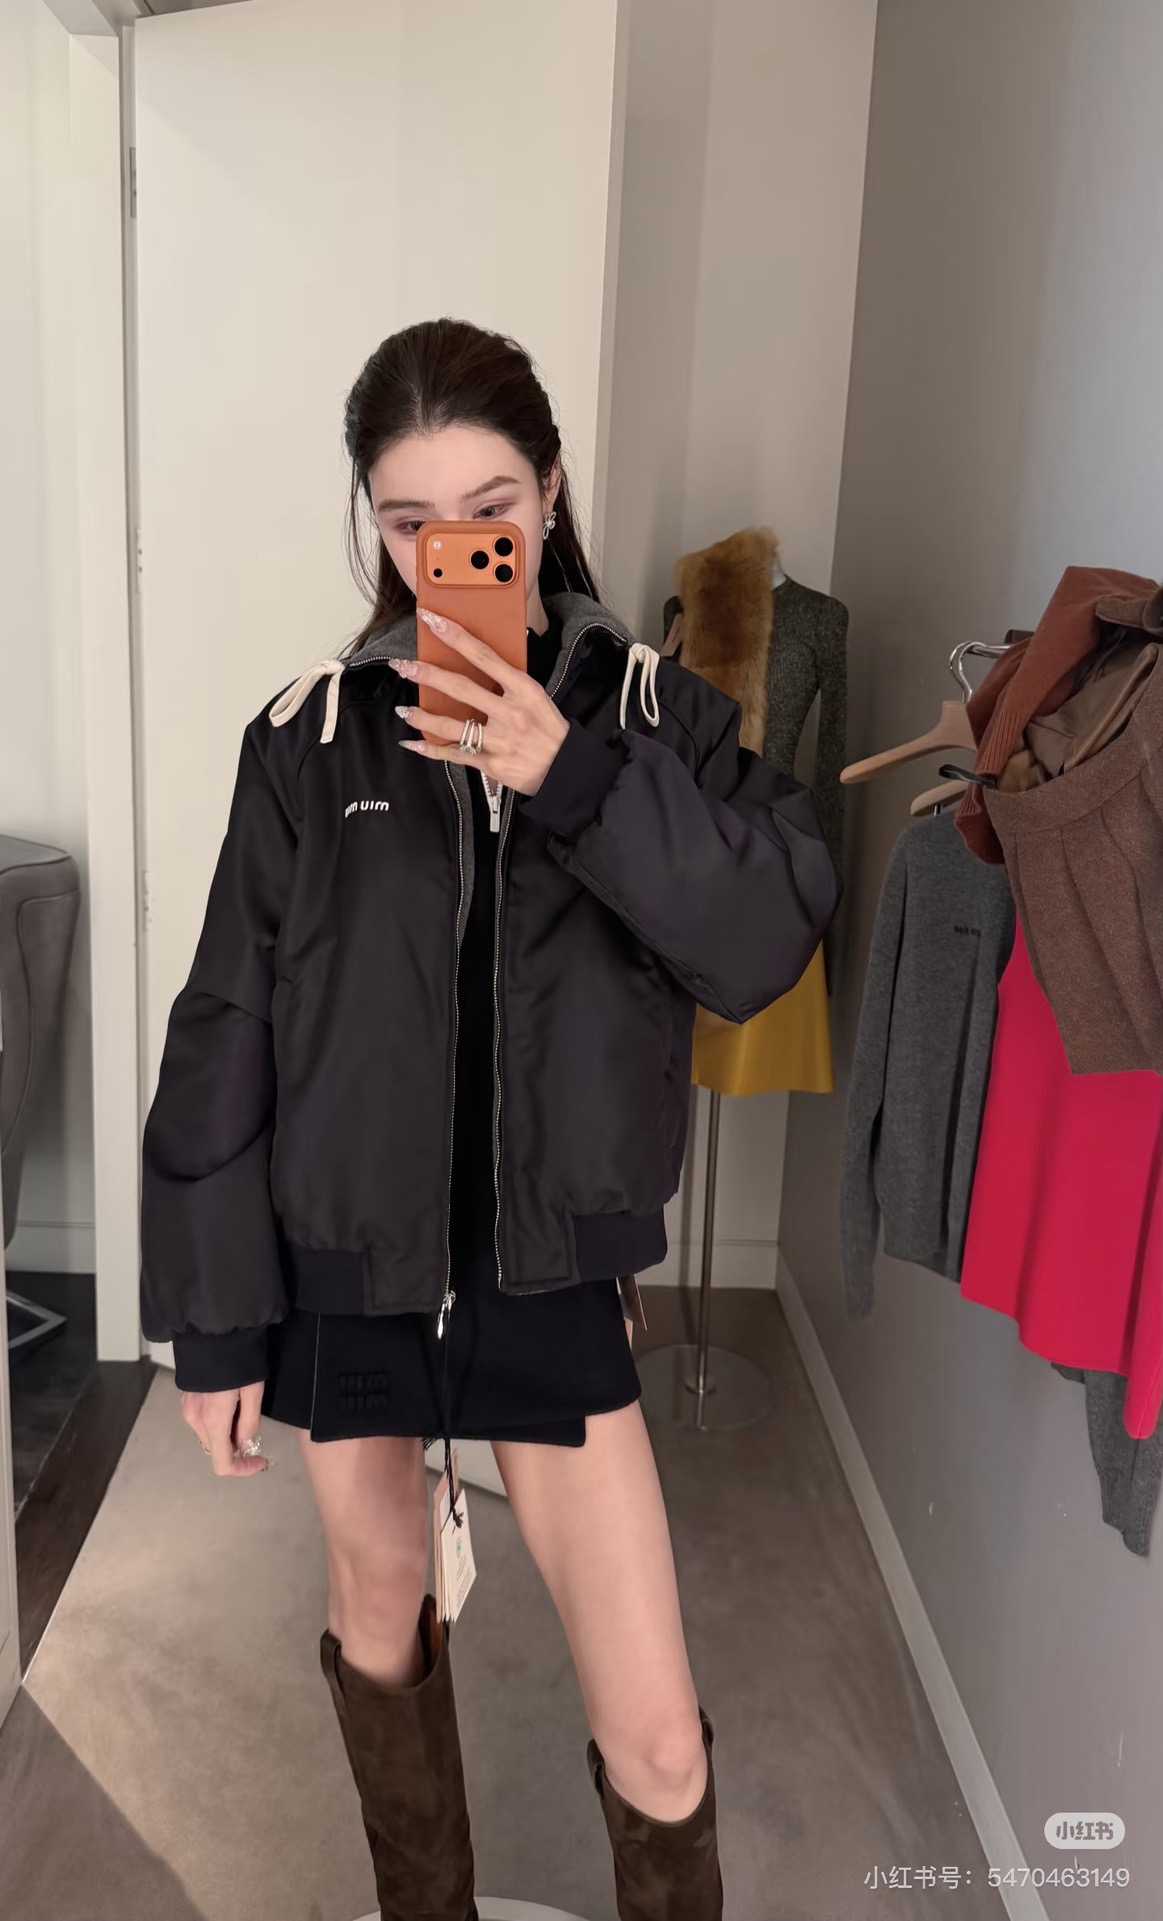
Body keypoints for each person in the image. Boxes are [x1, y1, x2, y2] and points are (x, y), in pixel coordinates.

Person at [139, 316, 840, 1921]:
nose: (449, 545)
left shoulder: (651, 720)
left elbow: (767, 936)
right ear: (375, 525)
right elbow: (228, 1022)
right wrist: (215, 1323)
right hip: (349, 1274)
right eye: (408, 518)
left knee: (658, 1734)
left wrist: (572, 778)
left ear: (550, 491)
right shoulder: (308, 739)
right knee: (382, 1613)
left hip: (552, 1276)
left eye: (489, 505)